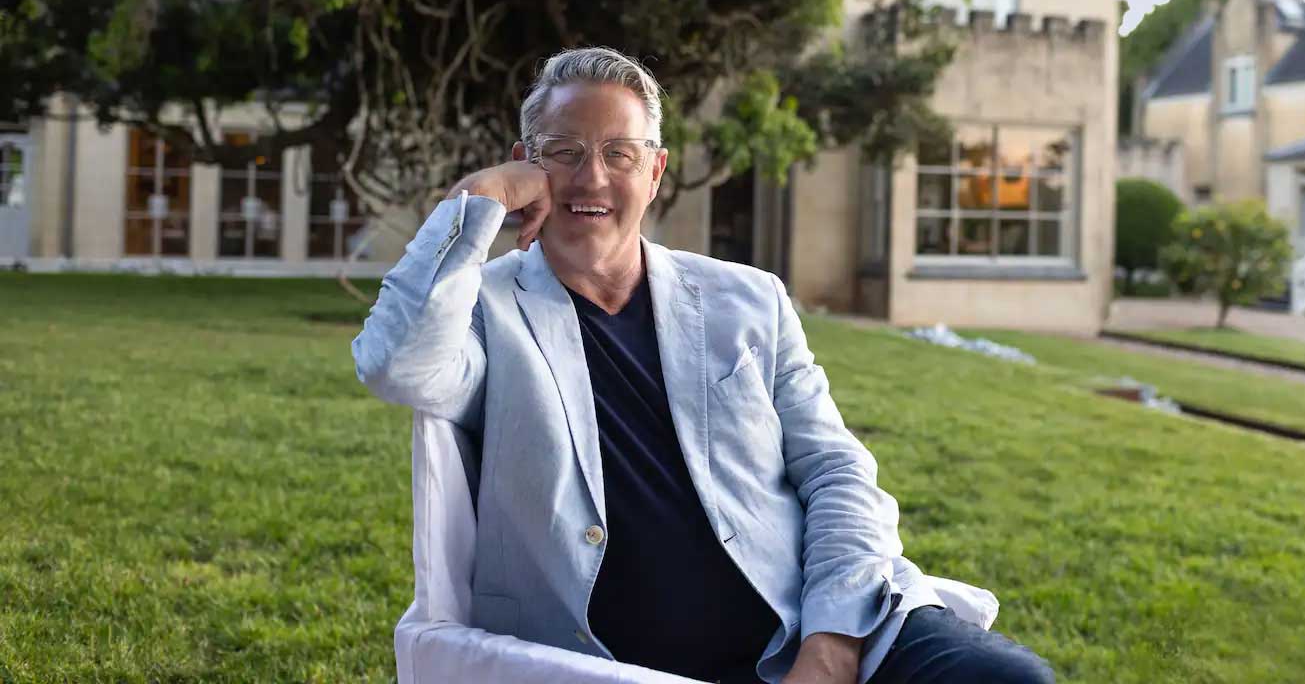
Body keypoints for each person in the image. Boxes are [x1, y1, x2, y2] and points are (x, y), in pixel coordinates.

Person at [352, 47, 1053, 684]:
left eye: (619, 154)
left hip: (813, 620)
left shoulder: (749, 299)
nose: (590, 177)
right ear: (526, 165)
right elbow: (395, 366)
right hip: (613, 662)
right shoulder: (483, 309)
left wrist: (832, 641)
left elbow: (836, 469)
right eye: (561, 152)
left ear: (655, 171)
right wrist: (483, 195)